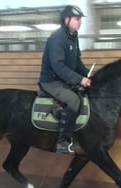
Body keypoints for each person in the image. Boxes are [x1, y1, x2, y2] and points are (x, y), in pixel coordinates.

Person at [38, 5, 91, 154]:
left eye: (80, 19)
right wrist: (79, 79)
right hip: (51, 80)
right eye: (77, 19)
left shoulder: (73, 36)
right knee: (74, 100)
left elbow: (77, 61)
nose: (80, 22)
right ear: (66, 20)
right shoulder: (57, 38)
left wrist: (87, 74)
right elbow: (58, 66)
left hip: (64, 79)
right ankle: (62, 142)